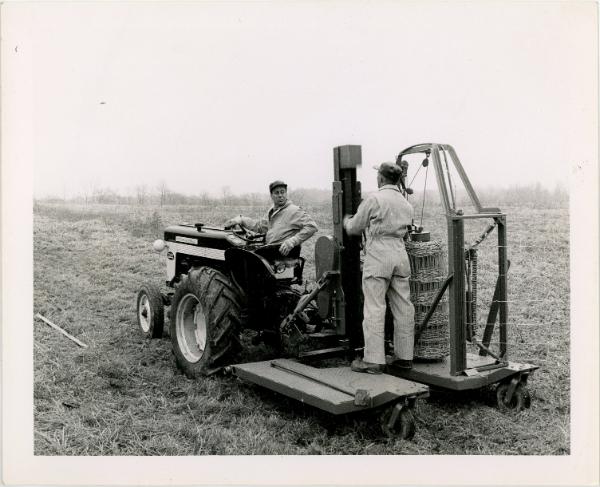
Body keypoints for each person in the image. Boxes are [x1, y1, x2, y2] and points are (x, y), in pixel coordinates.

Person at [343, 162, 415, 374]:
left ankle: (373, 360)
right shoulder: (405, 202)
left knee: (374, 306)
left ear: (381, 179)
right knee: (404, 307)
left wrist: (347, 221)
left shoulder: (375, 199)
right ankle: (404, 358)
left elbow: (356, 227)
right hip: (400, 255)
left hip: (379, 255)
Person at [224, 180, 318, 256]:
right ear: (271, 196)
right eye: (276, 193)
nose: (280, 195)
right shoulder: (273, 211)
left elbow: (312, 226)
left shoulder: (294, 211)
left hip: (281, 254)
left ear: (286, 193)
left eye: (283, 192)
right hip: (269, 250)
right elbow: (260, 227)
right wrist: (241, 219)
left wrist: (292, 241)